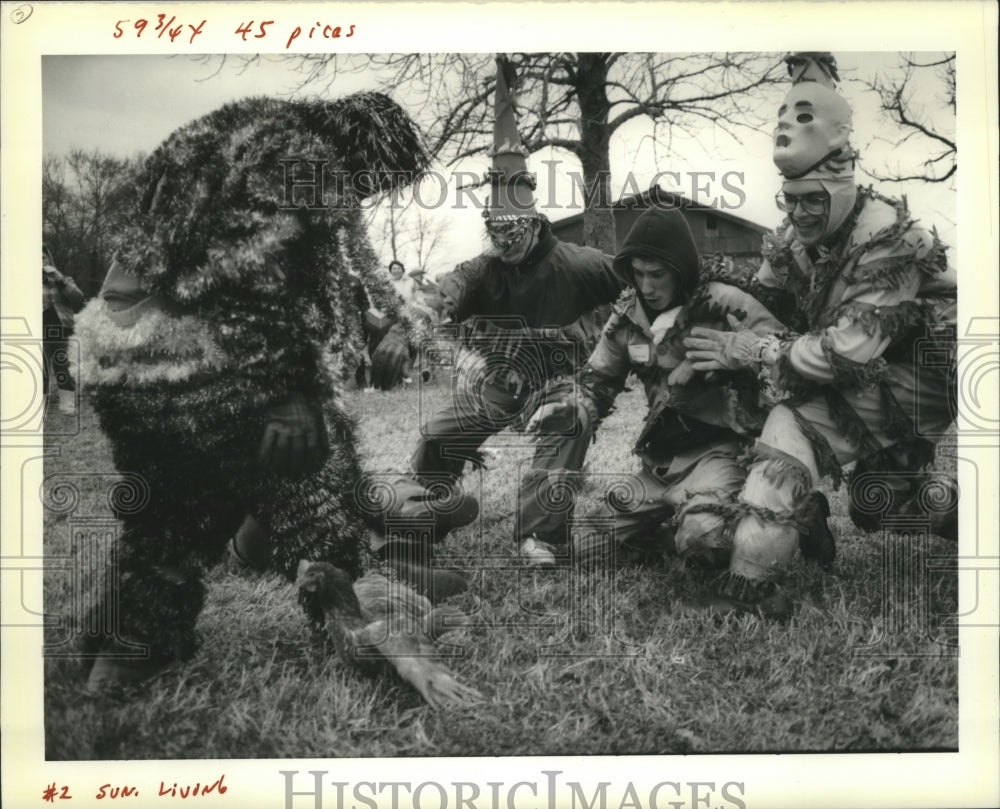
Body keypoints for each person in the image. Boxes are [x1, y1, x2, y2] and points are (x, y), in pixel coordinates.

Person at [72, 91, 452, 692]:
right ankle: (348, 606)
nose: (369, 192)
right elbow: (245, 268)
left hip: (117, 353)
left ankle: (126, 648)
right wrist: (289, 387)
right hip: (197, 343)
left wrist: (403, 324)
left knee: (180, 506)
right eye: (375, 179)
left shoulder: (245, 136)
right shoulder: (300, 156)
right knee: (316, 469)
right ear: (367, 151)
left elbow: (355, 263)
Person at [682, 53, 957, 615]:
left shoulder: (889, 238)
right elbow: (769, 299)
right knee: (875, 506)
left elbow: (844, 354)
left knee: (804, 434)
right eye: (791, 199)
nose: (801, 213)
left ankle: (752, 586)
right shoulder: (791, 236)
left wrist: (753, 349)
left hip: (925, 374)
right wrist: (698, 291)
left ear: (844, 182)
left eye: (813, 200)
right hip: (875, 377)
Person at [521, 202, 823, 584]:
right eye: (638, 273)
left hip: (720, 452)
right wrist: (573, 405)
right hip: (662, 462)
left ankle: (799, 516)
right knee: (588, 546)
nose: (647, 286)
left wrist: (736, 350)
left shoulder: (723, 301)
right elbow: (599, 380)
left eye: (657, 274)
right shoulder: (629, 313)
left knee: (702, 538)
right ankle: (671, 525)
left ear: (679, 271)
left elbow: (786, 351)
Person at [398, 56, 623, 565]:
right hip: (498, 380)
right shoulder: (483, 268)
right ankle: (425, 511)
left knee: (569, 425)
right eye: (494, 232)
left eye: (512, 232)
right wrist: (430, 326)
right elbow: (442, 297)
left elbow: (637, 284)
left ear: (533, 221)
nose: (503, 242)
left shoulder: (578, 264)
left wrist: (623, 335)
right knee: (438, 434)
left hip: (558, 378)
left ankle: (539, 536)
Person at [42, 240, 85, 415]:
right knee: (41, 367)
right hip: (38, 328)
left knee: (63, 366)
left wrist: (59, 280)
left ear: (49, 260)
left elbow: (78, 298)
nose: (41, 262)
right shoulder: (24, 282)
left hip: (61, 328)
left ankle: (67, 405)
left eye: (43, 258)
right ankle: (40, 405)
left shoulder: (64, 279)